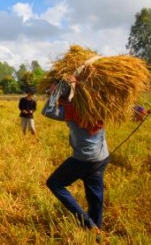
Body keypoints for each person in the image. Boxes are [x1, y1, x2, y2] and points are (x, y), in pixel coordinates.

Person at [45, 77, 109, 236]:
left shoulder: (72, 109)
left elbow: (48, 110)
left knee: (54, 183)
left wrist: (57, 90)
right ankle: (96, 229)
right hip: (101, 157)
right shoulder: (99, 105)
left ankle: (87, 222)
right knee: (95, 196)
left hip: (83, 159)